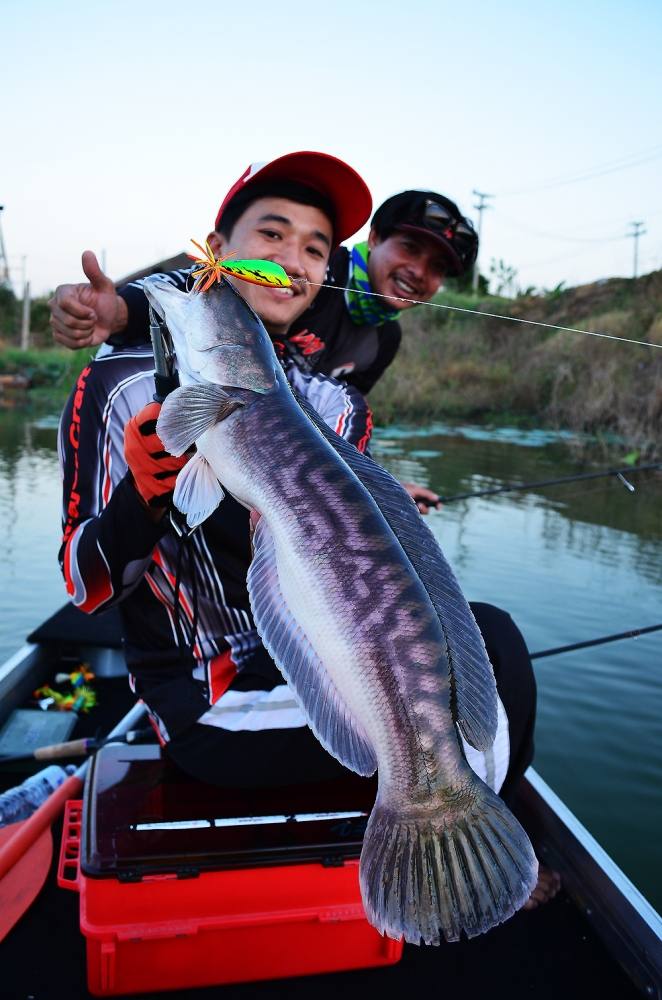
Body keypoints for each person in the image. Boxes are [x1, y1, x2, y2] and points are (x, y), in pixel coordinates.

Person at [54, 151, 557, 907]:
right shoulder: (121, 381)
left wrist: (377, 497)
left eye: (316, 247)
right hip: (211, 692)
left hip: (300, 653)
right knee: (488, 702)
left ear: (330, 270)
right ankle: (436, 842)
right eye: (273, 234)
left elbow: (348, 537)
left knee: (493, 645)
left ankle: (442, 839)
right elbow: (83, 584)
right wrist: (145, 497)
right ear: (219, 252)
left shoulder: (340, 404)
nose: (292, 259)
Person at [51, 189, 478, 515]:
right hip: (197, 443)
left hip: (261, 469)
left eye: (438, 267)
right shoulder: (306, 277)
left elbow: (338, 432)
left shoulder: (386, 340)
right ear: (375, 237)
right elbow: (208, 288)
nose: (419, 272)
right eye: (410, 249)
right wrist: (123, 311)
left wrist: (379, 489)